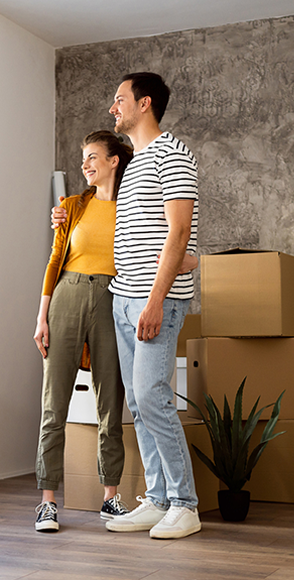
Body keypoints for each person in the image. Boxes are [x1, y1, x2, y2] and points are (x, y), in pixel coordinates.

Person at [100, 72, 201, 539]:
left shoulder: (173, 154)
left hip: (153, 302)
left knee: (154, 398)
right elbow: (152, 237)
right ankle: (159, 498)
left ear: (144, 104)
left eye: (119, 100)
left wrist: (156, 301)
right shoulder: (135, 163)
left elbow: (178, 232)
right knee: (139, 403)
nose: (112, 108)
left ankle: (185, 504)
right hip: (124, 298)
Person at [33, 130, 134, 533]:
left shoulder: (133, 208)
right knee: (53, 405)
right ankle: (47, 502)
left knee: (111, 404)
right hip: (68, 295)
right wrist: (41, 318)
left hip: (113, 300)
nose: (85, 165)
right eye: (82, 159)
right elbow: (55, 260)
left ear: (114, 161)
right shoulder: (72, 206)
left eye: (93, 157)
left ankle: (111, 499)